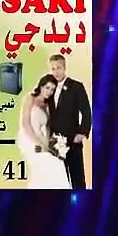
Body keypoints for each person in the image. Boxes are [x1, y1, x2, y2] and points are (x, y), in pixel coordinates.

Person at [44, 54, 91, 189]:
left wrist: (82, 133)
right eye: (53, 69)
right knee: (59, 180)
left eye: (59, 68)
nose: (56, 72)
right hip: (54, 143)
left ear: (64, 68)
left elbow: (86, 111)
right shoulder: (49, 88)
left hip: (72, 140)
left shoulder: (76, 86)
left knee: (77, 179)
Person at [16, 75, 70, 189]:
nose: (49, 92)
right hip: (28, 137)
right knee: (47, 164)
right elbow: (25, 123)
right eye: (47, 88)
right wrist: (38, 143)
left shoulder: (47, 105)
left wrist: (50, 144)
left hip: (41, 138)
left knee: (59, 164)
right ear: (41, 86)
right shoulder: (30, 98)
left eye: (52, 90)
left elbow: (48, 128)